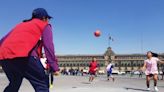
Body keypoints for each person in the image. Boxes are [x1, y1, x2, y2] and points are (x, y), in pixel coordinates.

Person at [0, 8, 59, 92]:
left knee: (14, 83)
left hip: (4, 57)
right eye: (48, 19)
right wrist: (54, 66)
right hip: (23, 55)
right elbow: (49, 46)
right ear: (44, 18)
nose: (48, 21)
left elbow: (3, 40)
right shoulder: (44, 25)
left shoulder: (21, 25)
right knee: (42, 84)